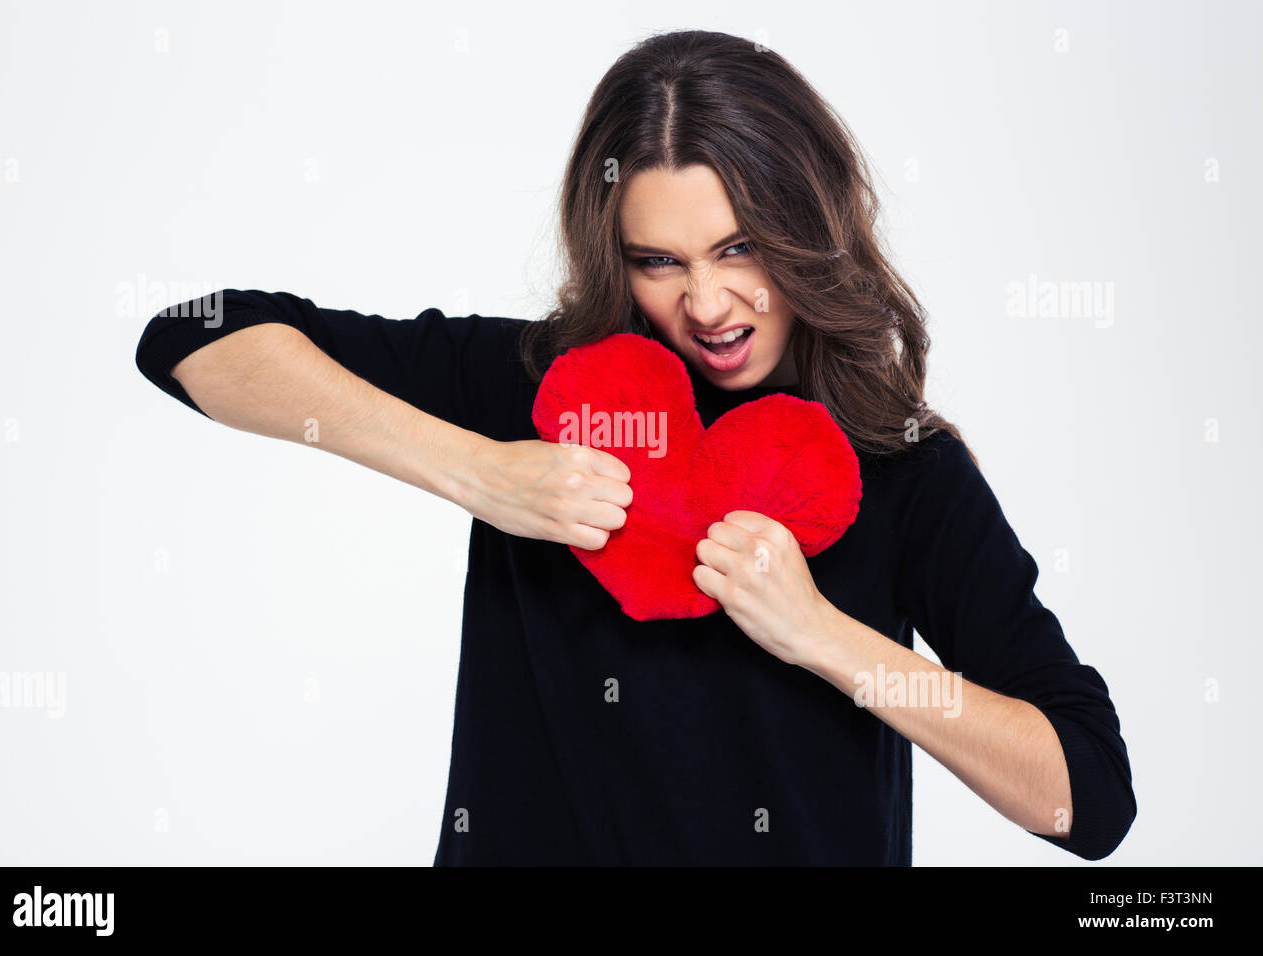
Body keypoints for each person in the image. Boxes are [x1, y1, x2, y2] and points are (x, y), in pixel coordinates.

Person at [134, 29, 1135, 865]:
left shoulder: (901, 465)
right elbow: (192, 335)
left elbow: (1085, 797)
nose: (705, 304)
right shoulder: (542, 388)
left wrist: (823, 635)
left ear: (807, 226)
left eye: (739, 248)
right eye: (659, 262)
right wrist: (481, 472)